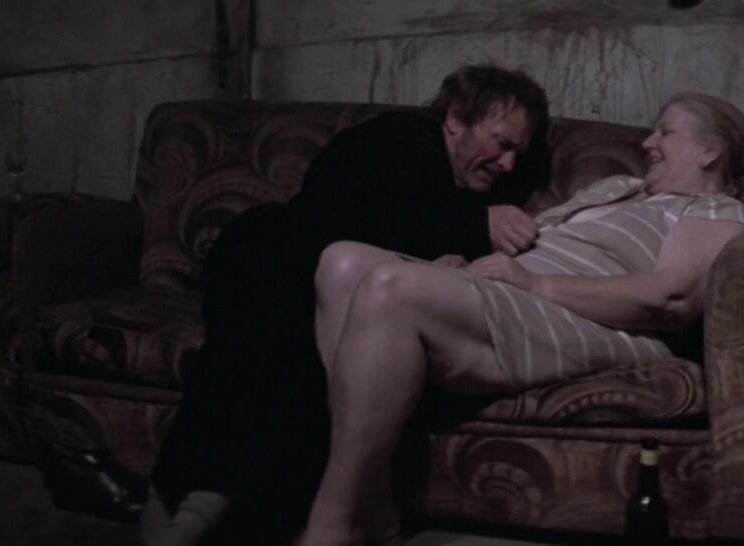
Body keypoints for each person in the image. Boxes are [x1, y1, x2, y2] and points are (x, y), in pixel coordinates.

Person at [294, 93, 744, 545]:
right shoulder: (617, 189)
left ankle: (333, 523)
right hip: (513, 291)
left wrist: (536, 285)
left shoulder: (716, 211)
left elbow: (670, 298)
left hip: (591, 317)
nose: (647, 142)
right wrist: (460, 269)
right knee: (342, 263)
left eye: (665, 132)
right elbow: (528, 249)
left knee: (390, 287)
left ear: (709, 150)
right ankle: (376, 501)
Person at [141, 64, 550, 546]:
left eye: (518, 153)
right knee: (282, 348)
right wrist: (474, 226)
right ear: (457, 118)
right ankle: (196, 506)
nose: (508, 163)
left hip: (311, 280)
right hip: (272, 253)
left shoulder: (481, 184)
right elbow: (343, 217)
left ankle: (185, 507)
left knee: (308, 362)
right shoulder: (401, 137)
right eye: (501, 143)